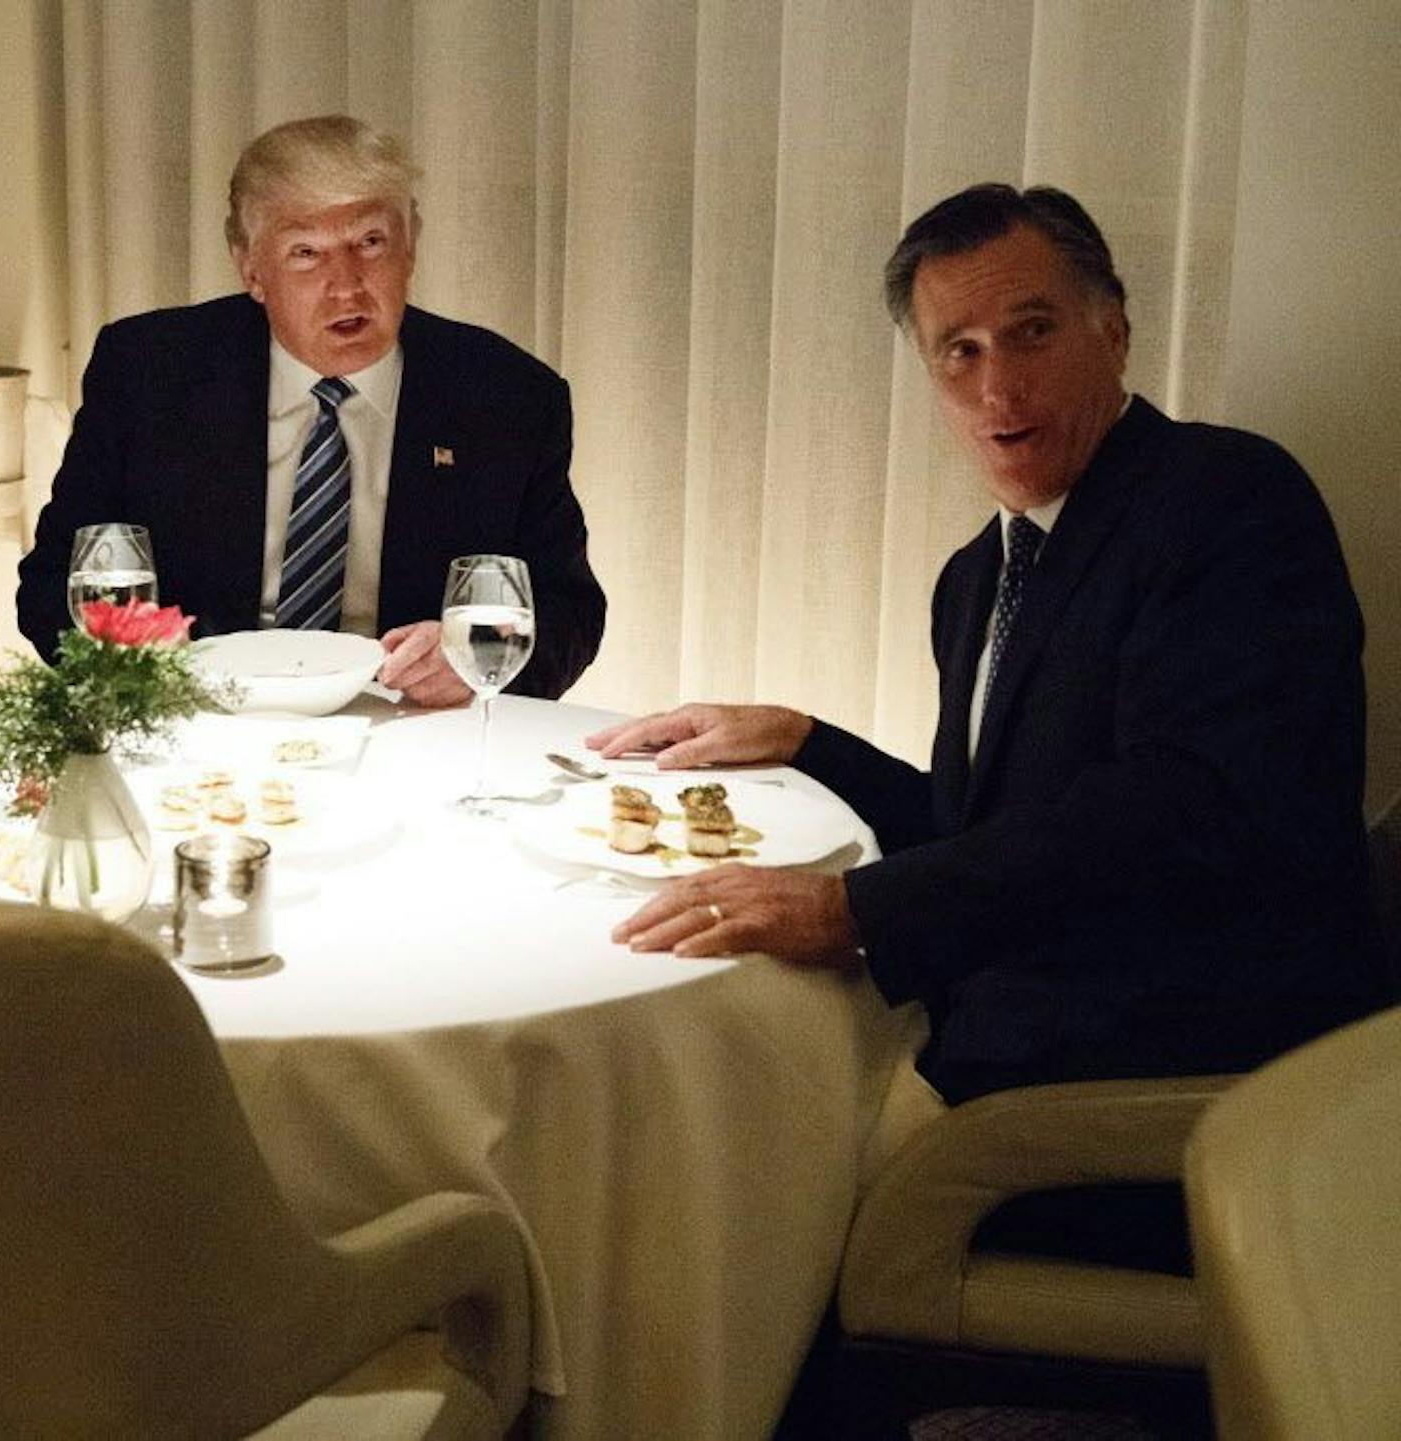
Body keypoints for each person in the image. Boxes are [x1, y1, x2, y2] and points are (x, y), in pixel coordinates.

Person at [591, 184, 1386, 1120]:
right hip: (1023, 1032)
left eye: (1031, 333)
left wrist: (853, 910)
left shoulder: (1227, 497)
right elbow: (983, 832)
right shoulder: (976, 578)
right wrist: (805, 740)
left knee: (714, 1101)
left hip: (1169, 1087)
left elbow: (1180, 809)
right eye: (960, 351)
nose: (998, 388)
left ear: (1114, 331)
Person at [16, 114, 605, 704]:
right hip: (201, 715)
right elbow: (53, 586)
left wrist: (470, 659)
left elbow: (568, 612)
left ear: (410, 247)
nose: (346, 285)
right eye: (305, 253)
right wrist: (138, 665)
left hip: (411, 723)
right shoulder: (148, 373)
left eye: (370, 242)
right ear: (251, 269)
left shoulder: (508, 397)